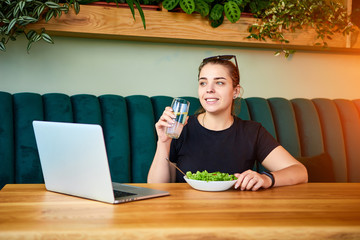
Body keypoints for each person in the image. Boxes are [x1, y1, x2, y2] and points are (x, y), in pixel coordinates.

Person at [147, 55, 308, 191]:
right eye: (203, 82)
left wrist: (267, 179)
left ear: (235, 91)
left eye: (219, 82)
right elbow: (156, 187)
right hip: (187, 216)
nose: (209, 89)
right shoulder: (180, 128)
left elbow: (300, 172)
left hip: (237, 216)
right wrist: (163, 142)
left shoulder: (252, 132)